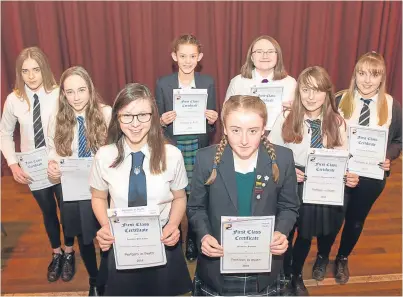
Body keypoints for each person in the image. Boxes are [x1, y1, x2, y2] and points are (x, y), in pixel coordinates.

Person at [187, 95, 300, 296]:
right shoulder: (205, 159)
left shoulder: (283, 159)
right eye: (236, 130)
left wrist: (282, 232)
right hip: (218, 266)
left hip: (263, 266)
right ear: (224, 127)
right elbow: (196, 207)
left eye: (253, 131)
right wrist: (204, 235)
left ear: (264, 128)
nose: (245, 140)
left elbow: (289, 206)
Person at [90, 83, 192, 296]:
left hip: (162, 242)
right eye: (127, 116)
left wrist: (173, 225)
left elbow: (180, 197)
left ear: (153, 116)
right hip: (121, 243)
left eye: (143, 115)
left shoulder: (172, 155)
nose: (135, 124)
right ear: (117, 117)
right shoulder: (104, 156)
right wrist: (105, 226)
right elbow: (98, 196)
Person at [269, 66, 359, 295]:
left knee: (306, 235)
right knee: (286, 233)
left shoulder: (338, 123)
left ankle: (296, 275)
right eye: (306, 90)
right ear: (298, 92)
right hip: (292, 183)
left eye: (317, 91)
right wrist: (288, 170)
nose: (310, 97)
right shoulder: (286, 118)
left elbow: (342, 157)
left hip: (322, 184)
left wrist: (347, 175)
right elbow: (270, 153)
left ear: (327, 93)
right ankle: (284, 274)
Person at [0, 46, 75, 282]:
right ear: (19, 73)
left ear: (45, 69)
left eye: (35, 69)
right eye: (25, 71)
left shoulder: (59, 94)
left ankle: (70, 252)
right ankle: (56, 252)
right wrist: (13, 165)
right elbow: (4, 134)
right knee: (48, 212)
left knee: (67, 211)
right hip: (32, 168)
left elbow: (72, 128)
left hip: (60, 164)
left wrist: (59, 158)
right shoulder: (14, 100)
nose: (31, 76)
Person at [334, 52, 402, 284]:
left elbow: (398, 141)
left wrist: (388, 156)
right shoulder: (339, 99)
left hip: (372, 176)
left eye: (374, 74)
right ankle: (323, 256)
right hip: (341, 174)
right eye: (362, 73)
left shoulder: (392, 105)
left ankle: (342, 258)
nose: (367, 80)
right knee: (334, 218)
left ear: (382, 77)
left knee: (355, 220)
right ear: (355, 74)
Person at [47, 66, 112, 295]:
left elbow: (116, 150)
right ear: (63, 93)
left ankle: (107, 275)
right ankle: (94, 279)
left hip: (103, 188)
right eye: (70, 91)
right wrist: (53, 167)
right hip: (74, 190)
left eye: (81, 90)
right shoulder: (57, 119)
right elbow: (52, 152)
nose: (76, 97)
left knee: (108, 233)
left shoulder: (106, 113)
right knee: (84, 239)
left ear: (90, 89)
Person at [155, 34, 218, 261]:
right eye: (183, 56)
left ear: (199, 57)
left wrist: (212, 120)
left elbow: (212, 128)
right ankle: (176, 233)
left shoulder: (207, 82)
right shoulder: (163, 83)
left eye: (192, 56)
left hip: (197, 146)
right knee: (174, 194)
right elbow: (157, 122)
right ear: (175, 57)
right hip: (173, 146)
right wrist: (161, 121)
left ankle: (192, 238)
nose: (188, 60)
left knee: (195, 196)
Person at [225, 35, 296, 118]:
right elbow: (226, 114)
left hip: (281, 130)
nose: (265, 56)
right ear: (251, 57)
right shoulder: (238, 82)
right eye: (259, 52)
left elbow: (299, 117)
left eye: (270, 52)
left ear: (278, 56)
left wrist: (295, 110)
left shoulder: (290, 83)